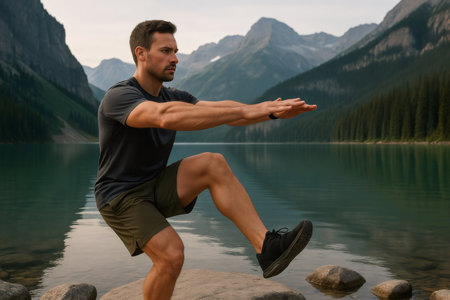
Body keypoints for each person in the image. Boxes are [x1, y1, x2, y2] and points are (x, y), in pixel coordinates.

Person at [95, 20, 316, 300]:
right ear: (141, 54)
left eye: (176, 51)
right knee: (172, 255)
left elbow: (220, 109)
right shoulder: (120, 96)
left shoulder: (174, 95)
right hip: (120, 196)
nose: (175, 58)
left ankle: (267, 248)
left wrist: (269, 111)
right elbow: (166, 116)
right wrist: (254, 111)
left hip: (154, 184)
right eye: (166, 51)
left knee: (213, 163)